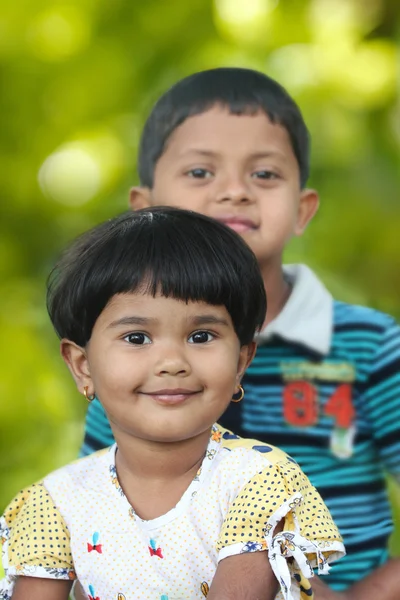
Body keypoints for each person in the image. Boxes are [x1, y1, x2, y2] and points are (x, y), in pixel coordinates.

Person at [80, 68, 400, 599]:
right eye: (201, 172)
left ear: (302, 209)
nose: (234, 191)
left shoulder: (368, 347)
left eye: (266, 175)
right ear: (145, 210)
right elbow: (101, 523)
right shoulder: (126, 360)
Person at [0, 208, 344, 600]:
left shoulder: (257, 480)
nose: (172, 363)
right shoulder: (57, 501)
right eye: (136, 338)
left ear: (240, 362)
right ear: (83, 366)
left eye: (200, 336)